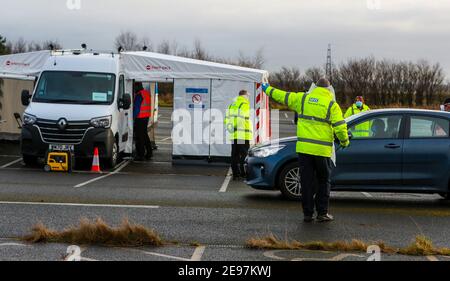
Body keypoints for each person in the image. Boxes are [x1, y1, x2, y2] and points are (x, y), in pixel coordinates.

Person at [262, 78, 349, 223]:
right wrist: (345, 141)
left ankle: (307, 214)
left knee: (307, 182)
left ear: (315, 88)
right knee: (323, 182)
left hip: (304, 150)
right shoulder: (332, 105)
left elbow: (282, 95)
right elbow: (340, 126)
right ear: (329, 89)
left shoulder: (302, 99)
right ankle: (322, 213)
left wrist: (267, 89)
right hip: (322, 151)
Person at [225, 90, 253, 181]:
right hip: (242, 135)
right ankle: (243, 173)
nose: (248, 97)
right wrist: (236, 126)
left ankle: (235, 174)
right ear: (244, 96)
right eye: (247, 96)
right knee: (244, 155)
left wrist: (231, 128)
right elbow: (241, 119)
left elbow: (226, 119)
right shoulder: (244, 104)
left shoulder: (232, 105)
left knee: (235, 155)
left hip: (234, 135)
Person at [133, 82, 153, 161]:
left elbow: (137, 108)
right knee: (144, 136)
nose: (134, 89)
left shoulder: (139, 95)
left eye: (135, 87)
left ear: (138, 86)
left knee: (139, 137)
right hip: (146, 117)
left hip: (140, 118)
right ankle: (149, 153)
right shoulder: (146, 93)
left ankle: (140, 155)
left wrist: (132, 118)